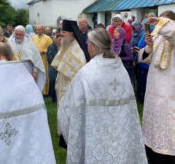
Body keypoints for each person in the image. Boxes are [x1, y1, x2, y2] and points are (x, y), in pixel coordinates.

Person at [58, 29, 148, 163]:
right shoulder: (120, 69)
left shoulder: (86, 72)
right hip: (120, 137)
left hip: (94, 137)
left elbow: (67, 108)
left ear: (93, 46)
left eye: (88, 43)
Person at [140, 11, 175, 163]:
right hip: (153, 95)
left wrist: (160, 21)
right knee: (152, 134)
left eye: (164, 22)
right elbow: (145, 59)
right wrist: (149, 46)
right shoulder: (159, 37)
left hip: (169, 94)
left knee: (168, 135)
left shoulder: (172, 33)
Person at [51, 20, 89, 106]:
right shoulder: (66, 44)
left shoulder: (77, 49)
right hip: (62, 83)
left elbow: (79, 70)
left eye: (64, 32)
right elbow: (57, 64)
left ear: (71, 33)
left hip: (71, 85)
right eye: (61, 31)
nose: (61, 34)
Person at [9, 25, 46, 91]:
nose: (18, 36)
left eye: (20, 34)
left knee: (27, 88)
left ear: (24, 34)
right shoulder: (9, 43)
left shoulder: (29, 43)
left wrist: (35, 71)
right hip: (13, 69)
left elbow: (36, 59)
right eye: (16, 34)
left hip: (27, 69)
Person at [32, 25, 53, 95]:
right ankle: (37, 90)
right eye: (37, 29)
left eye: (40, 29)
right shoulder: (33, 38)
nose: (39, 31)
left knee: (44, 73)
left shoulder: (48, 38)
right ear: (36, 30)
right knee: (36, 73)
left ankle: (45, 91)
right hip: (35, 59)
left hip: (44, 58)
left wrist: (44, 51)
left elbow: (51, 48)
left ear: (43, 30)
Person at [47, 33, 61, 103]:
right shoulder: (51, 47)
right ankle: (53, 98)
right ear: (55, 39)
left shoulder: (64, 47)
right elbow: (49, 57)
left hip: (61, 68)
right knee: (52, 82)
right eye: (58, 39)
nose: (60, 41)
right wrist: (55, 65)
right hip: (53, 68)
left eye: (61, 39)